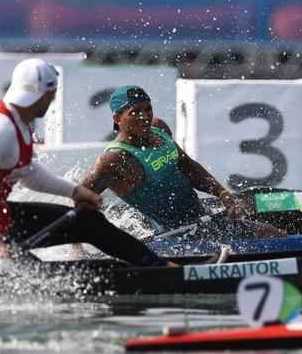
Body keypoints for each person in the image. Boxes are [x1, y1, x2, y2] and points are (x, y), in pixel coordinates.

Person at [0, 59, 175, 266]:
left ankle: (159, 266)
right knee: (41, 282)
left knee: (87, 221)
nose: (52, 100)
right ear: (42, 94)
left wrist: (76, 191)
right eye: (51, 95)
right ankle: (160, 272)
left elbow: (29, 173)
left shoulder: (15, 120)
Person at [78, 85, 283, 240]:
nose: (145, 117)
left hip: (203, 217)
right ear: (117, 118)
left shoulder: (159, 128)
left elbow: (188, 166)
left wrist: (223, 194)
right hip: (178, 237)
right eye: (135, 112)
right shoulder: (114, 159)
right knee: (271, 234)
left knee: (273, 230)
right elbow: (81, 198)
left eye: (148, 109)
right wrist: (78, 249)